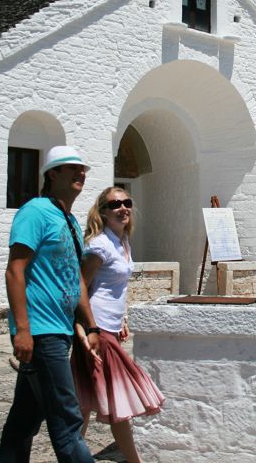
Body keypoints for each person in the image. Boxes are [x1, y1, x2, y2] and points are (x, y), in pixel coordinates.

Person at [0, 145, 101, 463]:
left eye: (82, 169)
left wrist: (91, 325)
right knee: (68, 424)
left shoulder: (68, 220)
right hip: (42, 333)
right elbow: (15, 270)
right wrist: (23, 330)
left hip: (61, 330)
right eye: (72, 168)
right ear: (52, 174)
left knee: (24, 420)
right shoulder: (35, 212)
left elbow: (75, 280)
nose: (80, 174)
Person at [71, 187, 164, 463]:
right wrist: (89, 330)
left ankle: (70, 456)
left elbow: (114, 289)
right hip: (95, 330)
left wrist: (121, 318)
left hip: (108, 327)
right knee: (116, 399)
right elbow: (81, 287)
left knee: (84, 402)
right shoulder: (100, 245)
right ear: (102, 211)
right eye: (115, 204)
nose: (123, 208)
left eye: (127, 202)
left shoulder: (122, 242)